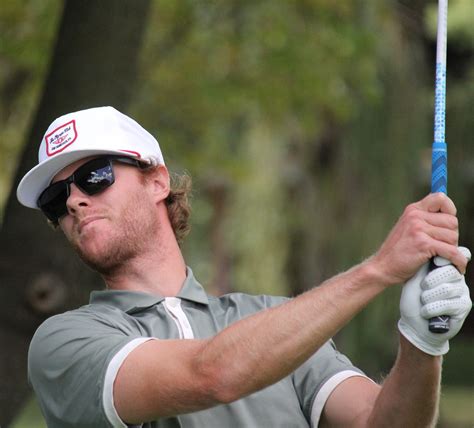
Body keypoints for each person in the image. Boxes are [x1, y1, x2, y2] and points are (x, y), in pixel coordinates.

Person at [17, 106, 471, 428]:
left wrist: (422, 343)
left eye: (95, 176)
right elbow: (211, 375)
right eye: (56, 200)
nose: (75, 201)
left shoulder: (276, 324)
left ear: (157, 181)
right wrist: (378, 271)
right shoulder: (64, 343)